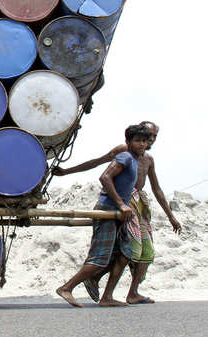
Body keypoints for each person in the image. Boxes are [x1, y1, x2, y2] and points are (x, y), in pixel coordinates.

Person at [53, 121, 181, 304]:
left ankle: (111, 296)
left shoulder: (145, 158)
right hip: (118, 206)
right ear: (130, 140)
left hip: (130, 207)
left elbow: (157, 189)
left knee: (126, 253)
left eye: (150, 138)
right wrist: (66, 172)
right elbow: (101, 168)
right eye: (142, 139)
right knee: (103, 256)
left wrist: (171, 216)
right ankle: (69, 287)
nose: (146, 142)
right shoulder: (125, 154)